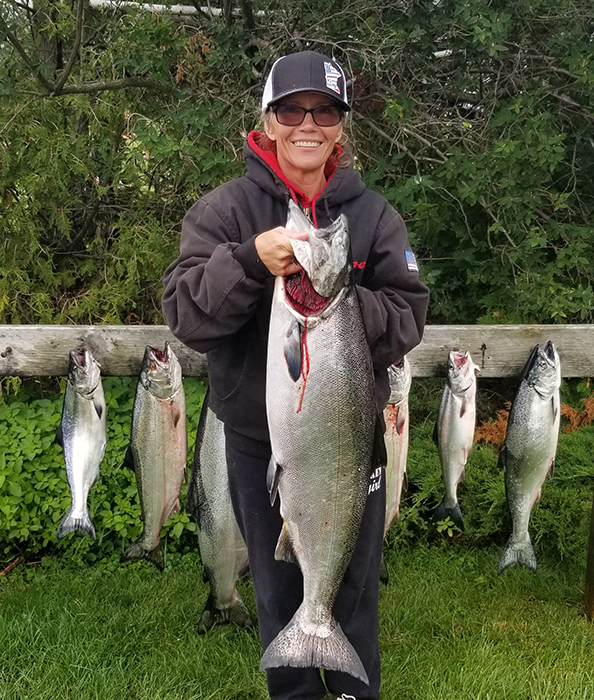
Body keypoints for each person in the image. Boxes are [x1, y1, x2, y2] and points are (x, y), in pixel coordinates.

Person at [162, 50, 429, 700]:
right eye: (292, 109)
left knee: (353, 590)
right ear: (268, 119)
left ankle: (348, 689)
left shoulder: (374, 219)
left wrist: (337, 297)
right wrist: (250, 263)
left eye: (325, 110)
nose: (307, 122)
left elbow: (410, 313)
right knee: (279, 592)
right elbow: (187, 314)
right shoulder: (224, 213)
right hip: (258, 443)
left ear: (341, 124)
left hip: (347, 444)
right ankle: (295, 688)